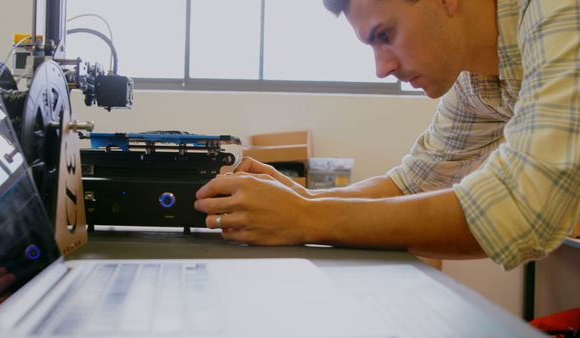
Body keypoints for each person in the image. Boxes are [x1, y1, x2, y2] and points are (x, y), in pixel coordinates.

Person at [194, 0, 580, 270]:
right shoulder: (476, 79)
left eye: (384, 35)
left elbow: (524, 208)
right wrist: (300, 199)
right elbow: (411, 184)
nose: (382, 68)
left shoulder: (559, 11)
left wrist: (306, 217)